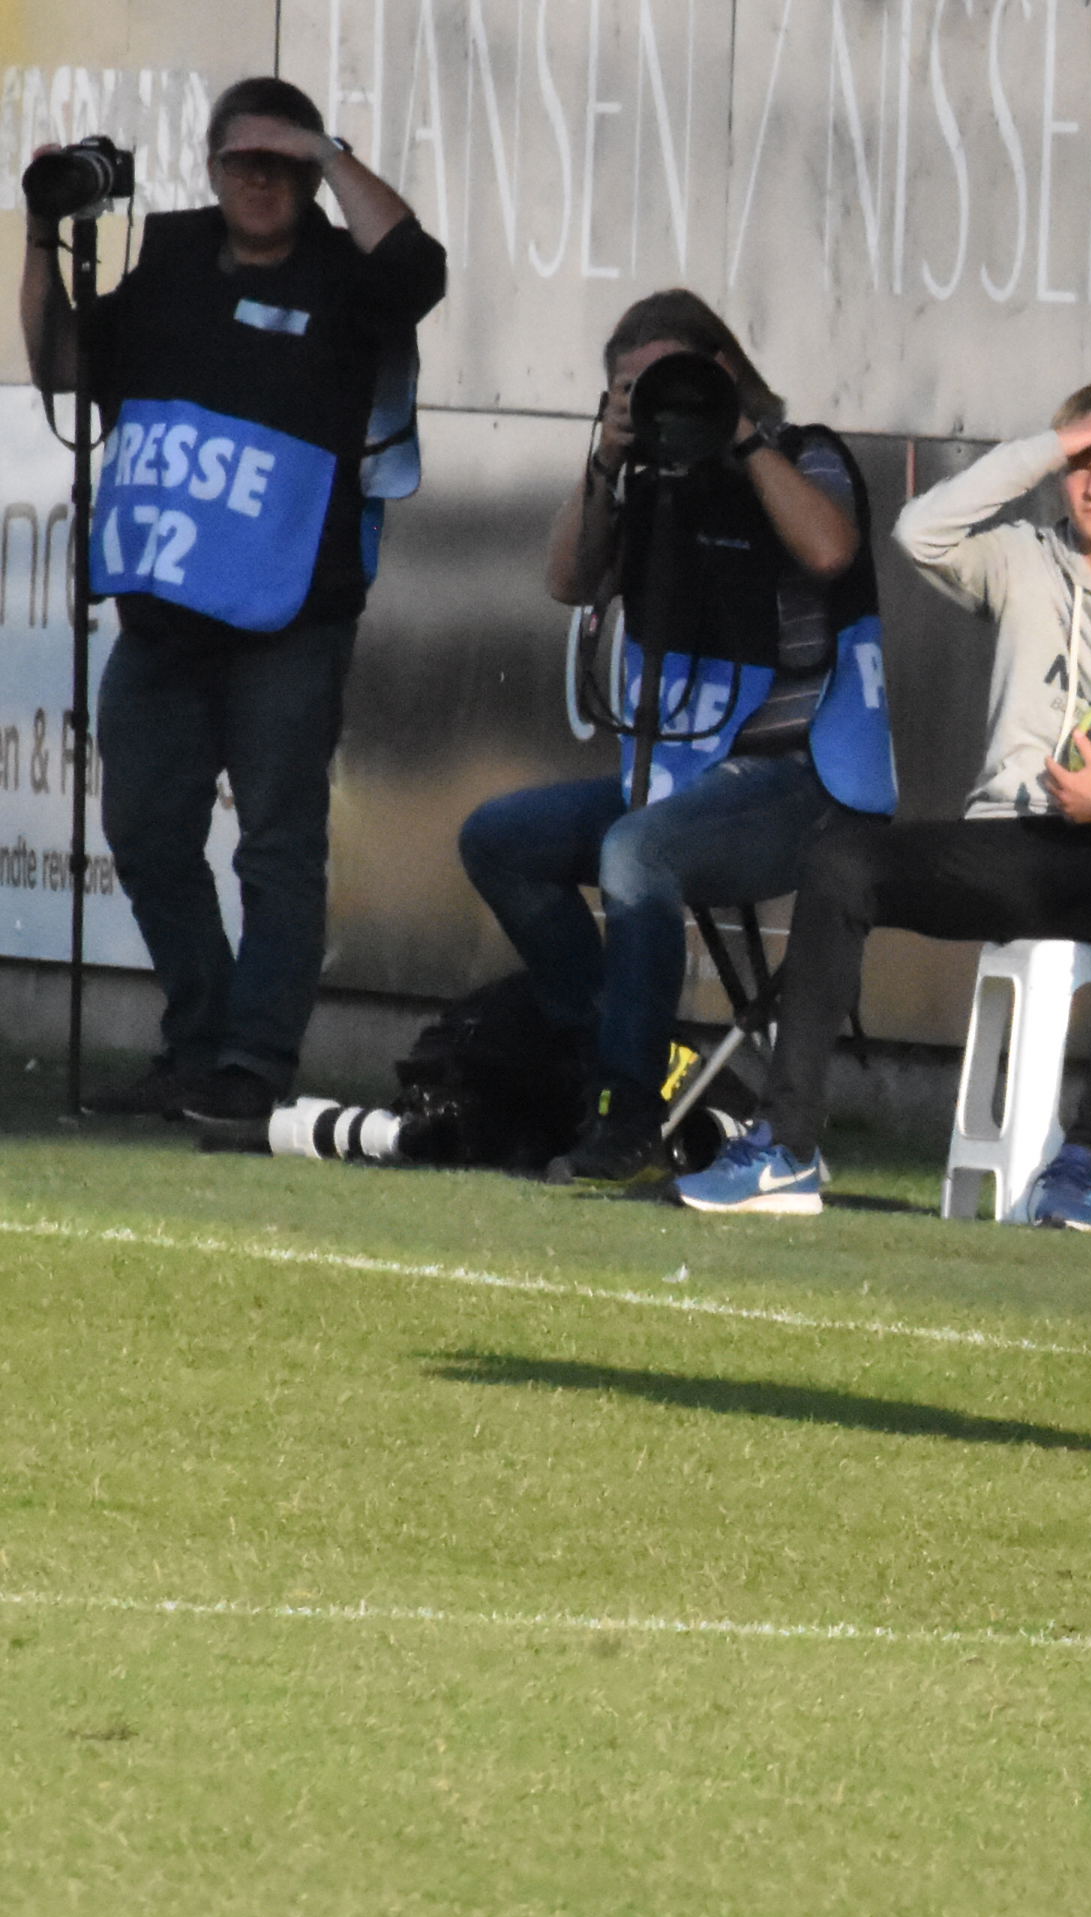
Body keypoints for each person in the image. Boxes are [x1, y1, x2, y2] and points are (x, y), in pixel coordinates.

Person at [673, 378, 1091, 1228]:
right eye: (1081, 463)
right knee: (841, 860)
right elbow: (918, 531)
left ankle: (1086, 1161)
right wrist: (1048, 445)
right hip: (1008, 844)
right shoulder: (1023, 560)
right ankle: (786, 1147)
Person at [20, 77, 446, 1123]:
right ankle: (197, 1042)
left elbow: (419, 268)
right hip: (163, 614)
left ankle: (254, 1064)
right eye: (243, 161)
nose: (262, 180)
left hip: (291, 616)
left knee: (277, 846)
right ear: (211, 169)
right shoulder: (167, 258)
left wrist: (329, 148)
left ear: (310, 174)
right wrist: (41, 238)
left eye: (283, 164)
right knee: (144, 829)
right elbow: (64, 365)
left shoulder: (345, 276)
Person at [458, 290, 892, 1184]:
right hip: (674, 777)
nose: (661, 403)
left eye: (676, 381)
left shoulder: (803, 455)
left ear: (725, 371)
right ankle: (617, 1055)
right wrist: (609, 458)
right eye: (634, 389)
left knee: (635, 850)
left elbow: (829, 552)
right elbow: (567, 581)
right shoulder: (646, 482)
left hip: (799, 783)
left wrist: (739, 435)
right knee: (499, 838)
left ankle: (627, 1118)